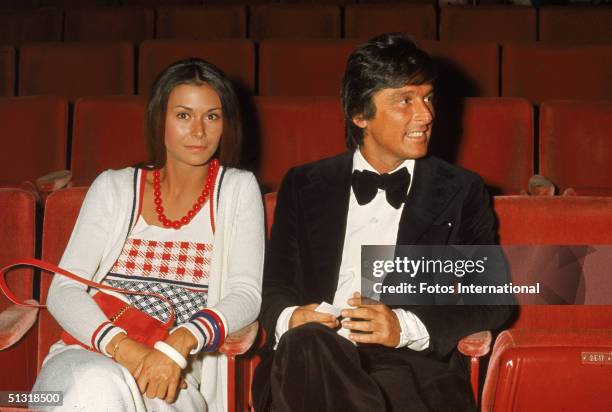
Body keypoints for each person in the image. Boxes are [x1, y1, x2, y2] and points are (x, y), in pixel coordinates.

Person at [253, 33, 513, 412]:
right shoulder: (304, 185)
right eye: (405, 100)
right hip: (307, 360)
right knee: (308, 343)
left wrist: (402, 327)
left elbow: (493, 298)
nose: (426, 114)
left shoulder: (461, 191)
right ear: (360, 115)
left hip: (408, 368)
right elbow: (273, 286)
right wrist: (293, 317)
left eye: (427, 97)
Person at [32, 58, 264, 412]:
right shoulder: (114, 187)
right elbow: (64, 290)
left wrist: (179, 343)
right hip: (87, 357)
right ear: (160, 120)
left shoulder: (237, 190)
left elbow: (246, 294)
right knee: (95, 389)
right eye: (184, 115)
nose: (199, 131)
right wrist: (126, 349)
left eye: (212, 116)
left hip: (173, 376)